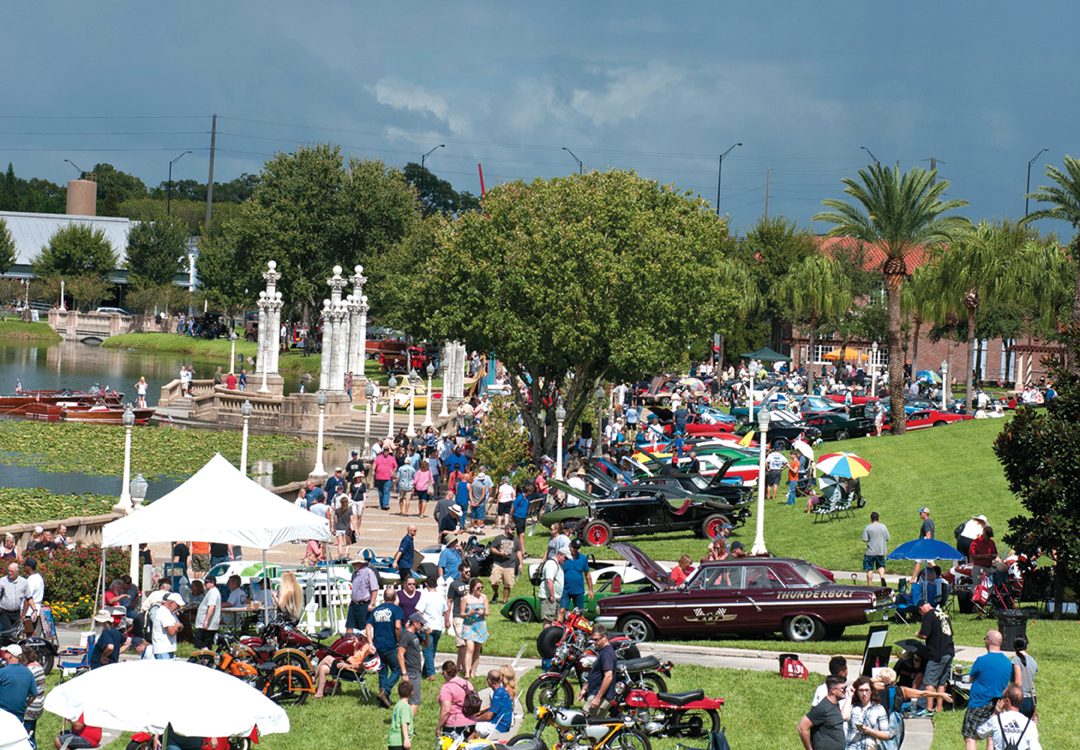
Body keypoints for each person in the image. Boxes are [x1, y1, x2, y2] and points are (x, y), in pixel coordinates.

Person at [964, 630, 1015, 750]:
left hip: (978, 702)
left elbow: (971, 679)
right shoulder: (1008, 662)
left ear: (989, 641)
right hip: (997, 704)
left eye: (985, 639)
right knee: (991, 736)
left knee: (970, 737)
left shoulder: (981, 660)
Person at [916, 599, 954, 715]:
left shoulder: (928, 616)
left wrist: (918, 634)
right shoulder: (944, 614)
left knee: (929, 682)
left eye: (920, 612)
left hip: (937, 654)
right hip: (949, 651)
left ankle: (928, 709)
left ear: (921, 608)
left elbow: (924, 634)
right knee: (941, 682)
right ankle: (939, 708)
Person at [973, 685, 1041, 750]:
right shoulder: (1030, 725)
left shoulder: (996, 720)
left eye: (1002, 697)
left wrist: (996, 713)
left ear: (1007, 701)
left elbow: (979, 733)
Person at [312, 632, 375, 699]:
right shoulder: (365, 646)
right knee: (323, 668)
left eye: (361, 636)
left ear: (366, 638)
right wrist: (356, 646)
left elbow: (363, 667)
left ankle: (312, 678)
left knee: (327, 658)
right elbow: (356, 658)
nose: (360, 637)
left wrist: (347, 666)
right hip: (350, 669)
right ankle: (319, 694)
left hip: (353, 672)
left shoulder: (368, 649)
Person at [372, 587, 405, 708]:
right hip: (390, 644)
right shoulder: (397, 609)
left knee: (382, 672)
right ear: (395, 597)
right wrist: (398, 640)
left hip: (378, 645)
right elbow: (397, 627)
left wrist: (371, 642)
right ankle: (385, 691)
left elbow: (368, 626)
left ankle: (383, 700)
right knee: (397, 670)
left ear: (384, 597)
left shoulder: (376, 610)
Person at [798, 675, 846, 750]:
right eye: (843, 688)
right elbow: (802, 727)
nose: (845, 691)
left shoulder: (836, 704)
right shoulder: (823, 708)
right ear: (833, 690)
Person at [579, 624, 616, 717]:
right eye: (593, 639)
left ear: (605, 637)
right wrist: (586, 688)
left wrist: (598, 698)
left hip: (601, 697)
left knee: (587, 722)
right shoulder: (602, 651)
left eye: (596, 640)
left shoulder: (607, 654)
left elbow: (608, 676)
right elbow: (596, 673)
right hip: (594, 694)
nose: (594, 642)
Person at [845, 676, 889, 750]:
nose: (864, 693)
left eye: (867, 690)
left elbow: (886, 735)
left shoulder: (879, 709)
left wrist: (870, 731)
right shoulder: (852, 706)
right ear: (856, 691)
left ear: (871, 691)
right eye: (861, 690)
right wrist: (849, 696)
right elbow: (844, 716)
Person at [436, 661, 476, 740]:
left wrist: (439, 726)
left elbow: (446, 711)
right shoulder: (468, 684)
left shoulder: (447, 687)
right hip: (471, 723)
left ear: (445, 672)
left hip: (454, 725)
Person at [417, 577, 447, 680]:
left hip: (428, 627)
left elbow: (419, 612)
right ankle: (425, 673)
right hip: (438, 626)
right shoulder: (441, 596)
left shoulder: (425, 596)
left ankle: (431, 673)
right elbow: (445, 610)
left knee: (427, 650)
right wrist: (446, 621)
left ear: (426, 584)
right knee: (432, 650)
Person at [397, 613, 427, 716]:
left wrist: (427, 634)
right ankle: (408, 726)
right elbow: (400, 654)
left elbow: (426, 645)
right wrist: (404, 673)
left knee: (410, 700)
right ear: (415, 623)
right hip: (410, 671)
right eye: (421, 624)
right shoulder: (406, 635)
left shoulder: (415, 635)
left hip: (416, 671)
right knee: (415, 701)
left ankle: (404, 724)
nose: (422, 626)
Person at [445, 565, 473, 674]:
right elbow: (449, 601)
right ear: (460, 571)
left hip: (471, 617)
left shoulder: (473, 583)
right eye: (466, 572)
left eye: (470, 572)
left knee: (468, 644)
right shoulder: (454, 585)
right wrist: (447, 618)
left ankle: (459, 667)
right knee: (462, 643)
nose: (469, 573)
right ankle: (464, 668)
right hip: (458, 616)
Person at [460, 578, 489, 678]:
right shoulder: (466, 599)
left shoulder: (484, 597)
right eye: (478, 588)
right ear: (472, 588)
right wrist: (468, 613)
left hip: (480, 626)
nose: (480, 589)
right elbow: (461, 614)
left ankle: (473, 672)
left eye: (481, 587)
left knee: (477, 650)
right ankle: (467, 672)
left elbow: (488, 612)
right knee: (470, 648)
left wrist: (483, 612)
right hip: (469, 626)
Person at [0, 645, 37, 724]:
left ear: (10, 655)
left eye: (6, 652)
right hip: (19, 717)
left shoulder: (2, 672)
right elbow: (34, 694)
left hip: (2, 717)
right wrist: (24, 706)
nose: (4, 653)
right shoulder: (28, 672)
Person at [474, 670, 514, 738]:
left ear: (489, 681)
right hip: (504, 724)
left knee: (471, 727)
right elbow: (494, 708)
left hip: (498, 726)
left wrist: (475, 719)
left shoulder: (498, 694)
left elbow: (489, 716)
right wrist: (481, 712)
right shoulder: (502, 691)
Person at [489, 523, 522, 604]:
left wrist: (521, 563)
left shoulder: (515, 540)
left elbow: (519, 551)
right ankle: (496, 593)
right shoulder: (499, 538)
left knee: (507, 584)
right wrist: (500, 553)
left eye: (514, 529)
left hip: (510, 565)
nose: (514, 531)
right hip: (498, 564)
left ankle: (504, 601)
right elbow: (492, 548)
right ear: (507, 529)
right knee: (494, 582)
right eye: (512, 529)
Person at [346, 556, 380, 635]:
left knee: (363, 629)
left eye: (355, 563)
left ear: (360, 563)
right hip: (354, 604)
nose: (354, 565)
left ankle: (364, 645)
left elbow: (374, 589)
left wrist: (371, 603)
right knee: (349, 627)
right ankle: (349, 644)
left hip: (364, 604)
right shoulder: (354, 574)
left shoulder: (369, 572)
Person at [21, 645, 45, 742]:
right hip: (38, 705)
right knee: (31, 734)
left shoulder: (29, 670)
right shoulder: (38, 666)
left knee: (25, 737)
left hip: (30, 706)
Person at [1011, 636, 1037, 719]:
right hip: (1032, 699)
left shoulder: (1016, 660)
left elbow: (1018, 682)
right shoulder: (1033, 660)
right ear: (1027, 645)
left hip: (1021, 699)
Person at [861, 512, 890, 587]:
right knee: (881, 566)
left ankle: (869, 585)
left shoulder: (868, 527)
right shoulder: (883, 526)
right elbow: (887, 538)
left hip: (870, 551)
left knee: (869, 569)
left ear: (871, 518)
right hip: (881, 551)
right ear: (878, 518)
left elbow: (865, 539)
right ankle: (882, 577)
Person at [151, 593, 184, 659]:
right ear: (171, 603)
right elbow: (171, 631)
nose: (179, 607)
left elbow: (181, 626)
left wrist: (177, 626)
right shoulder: (163, 612)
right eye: (177, 605)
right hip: (162, 649)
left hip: (169, 648)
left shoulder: (171, 613)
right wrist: (177, 626)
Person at [193, 575, 221, 648]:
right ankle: (207, 656)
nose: (204, 584)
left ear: (212, 582)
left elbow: (211, 606)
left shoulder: (213, 592)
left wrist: (206, 621)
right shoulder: (211, 591)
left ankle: (206, 653)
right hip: (207, 623)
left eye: (206, 582)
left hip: (208, 624)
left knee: (198, 639)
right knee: (206, 641)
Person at [387, 681, 415, 750]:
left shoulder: (398, 704)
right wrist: (406, 739)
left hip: (393, 741)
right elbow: (404, 723)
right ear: (412, 693)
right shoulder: (405, 706)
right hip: (400, 741)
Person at [541, 549, 566, 625]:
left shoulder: (558, 564)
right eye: (565, 558)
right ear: (560, 555)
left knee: (554, 620)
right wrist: (552, 596)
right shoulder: (551, 564)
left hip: (556, 597)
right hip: (549, 597)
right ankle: (547, 636)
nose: (566, 560)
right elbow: (549, 581)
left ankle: (553, 636)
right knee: (548, 620)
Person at [912, 506, 936, 580]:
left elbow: (928, 534)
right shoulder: (930, 521)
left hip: (925, 545)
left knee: (918, 561)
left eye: (921, 512)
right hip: (928, 545)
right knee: (930, 562)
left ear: (926, 513)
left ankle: (913, 579)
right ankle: (939, 576)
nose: (920, 514)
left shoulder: (927, 522)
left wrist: (925, 545)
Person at [22, 559, 44, 636]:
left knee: (29, 634)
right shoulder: (39, 577)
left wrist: (23, 613)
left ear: (29, 567)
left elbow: (28, 598)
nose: (24, 567)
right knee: (34, 634)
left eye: (25, 566)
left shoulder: (31, 580)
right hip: (37, 609)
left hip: (29, 611)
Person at [374, 446, 398, 511]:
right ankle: (382, 504)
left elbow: (395, 466)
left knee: (386, 491)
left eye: (387, 451)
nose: (386, 452)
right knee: (380, 492)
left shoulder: (392, 458)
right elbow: (375, 464)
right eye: (385, 450)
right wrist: (373, 470)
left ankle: (385, 505)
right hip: (379, 477)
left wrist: (393, 471)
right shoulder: (379, 457)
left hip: (388, 477)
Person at [333, 494, 352, 559]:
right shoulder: (349, 510)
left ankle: (340, 555)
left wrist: (334, 528)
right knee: (347, 543)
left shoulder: (337, 510)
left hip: (339, 528)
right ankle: (346, 554)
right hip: (347, 528)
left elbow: (335, 521)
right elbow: (352, 520)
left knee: (339, 543)